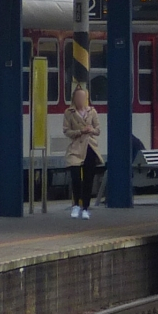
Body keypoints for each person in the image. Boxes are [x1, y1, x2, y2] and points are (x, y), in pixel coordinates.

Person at [63, 86, 102, 219]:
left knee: (88, 179)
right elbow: (67, 131)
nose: (81, 99)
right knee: (75, 178)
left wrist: (91, 130)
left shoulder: (92, 112)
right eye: (78, 97)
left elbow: (98, 130)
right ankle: (75, 206)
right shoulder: (69, 112)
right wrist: (80, 131)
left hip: (90, 148)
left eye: (83, 97)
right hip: (76, 148)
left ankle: (85, 208)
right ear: (74, 98)